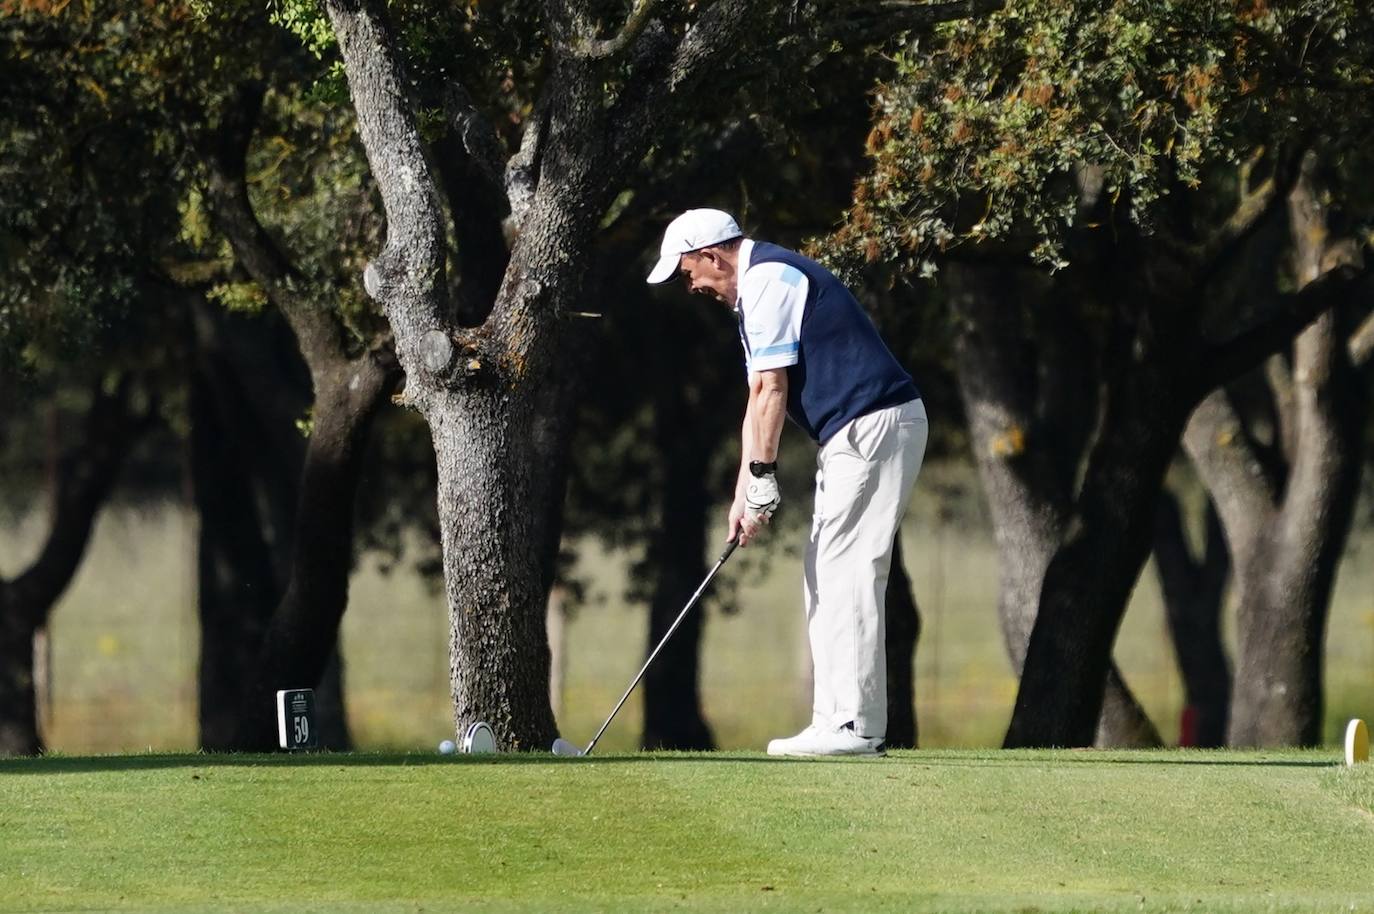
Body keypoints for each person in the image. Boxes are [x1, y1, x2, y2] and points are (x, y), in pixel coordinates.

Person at [647, 208, 928, 757]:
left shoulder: (768, 280)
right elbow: (756, 400)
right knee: (826, 566)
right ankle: (834, 720)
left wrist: (764, 477)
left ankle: (852, 727)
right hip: (857, 431)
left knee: (848, 567)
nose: (692, 287)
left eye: (688, 274)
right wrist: (742, 494)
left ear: (711, 255)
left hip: (873, 423)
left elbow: (772, 390)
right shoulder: (756, 291)